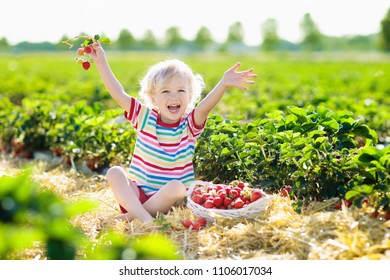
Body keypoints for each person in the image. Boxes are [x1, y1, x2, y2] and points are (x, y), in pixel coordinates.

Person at [89, 42, 257, 222]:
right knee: (114, 172)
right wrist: (101, 62)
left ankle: (135, 217)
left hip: (171, 203)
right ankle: (145, 218)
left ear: (190, 96)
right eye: (165, 91)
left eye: (181, 90)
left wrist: (223, 84)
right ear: (153, 98)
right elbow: (118, 93)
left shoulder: (189, 125)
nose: (174, 96)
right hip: (136, 197)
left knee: (177, 187)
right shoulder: (144, 117)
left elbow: (204, 108)